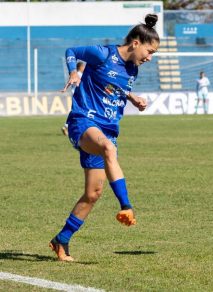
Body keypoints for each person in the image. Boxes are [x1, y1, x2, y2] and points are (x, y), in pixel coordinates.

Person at [49, 14, 160, 262]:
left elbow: (115, 85)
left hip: (107, 128)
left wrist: (132, 97)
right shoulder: (103, 54)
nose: (150, 58)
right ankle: (126, 205)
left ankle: (61, 240)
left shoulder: (132, 69)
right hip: (83, 121)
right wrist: (73, 73)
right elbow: (71, 51)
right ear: (135, 43)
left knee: (93, 193)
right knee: (109, 150)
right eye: (149, 51)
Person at [61, 61, 85, 136]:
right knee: (80, 112)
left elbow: (69, 82)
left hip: (75, 95)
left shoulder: (74, 75)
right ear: (81, 67)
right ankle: (67, 126)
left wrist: (65, 88)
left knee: (77, 112)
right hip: (80, 96)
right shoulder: (80, 75)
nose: (84, 68)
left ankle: (68, 127)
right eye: (83, 66)